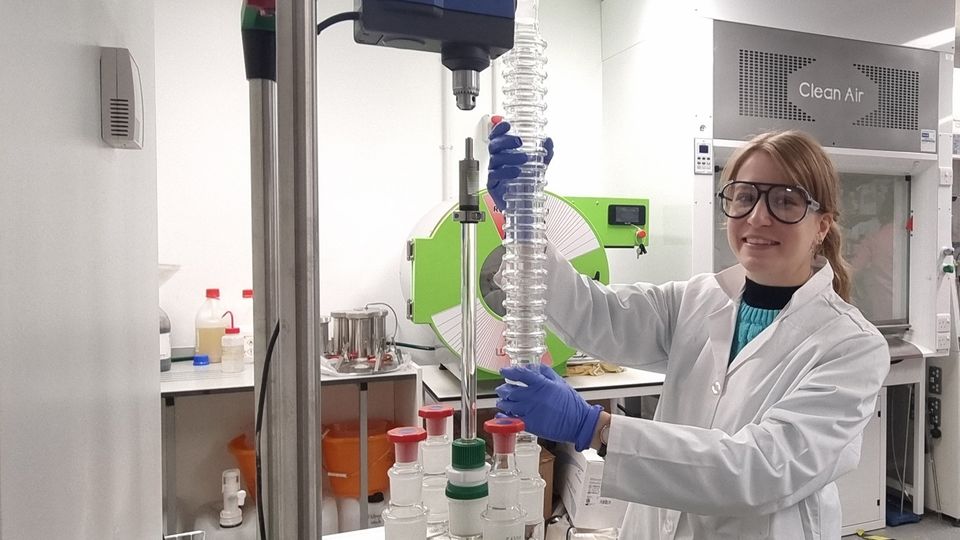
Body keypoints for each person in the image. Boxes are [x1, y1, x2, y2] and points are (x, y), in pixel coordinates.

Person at [488, 122, 890, 539]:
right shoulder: (697, 299)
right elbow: (596, 314)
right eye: (745, 196)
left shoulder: (852, 346)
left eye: (785, 201)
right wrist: (525, 221)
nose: (757, 216)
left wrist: (596, 428)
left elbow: (762, 466)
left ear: (822, 225)